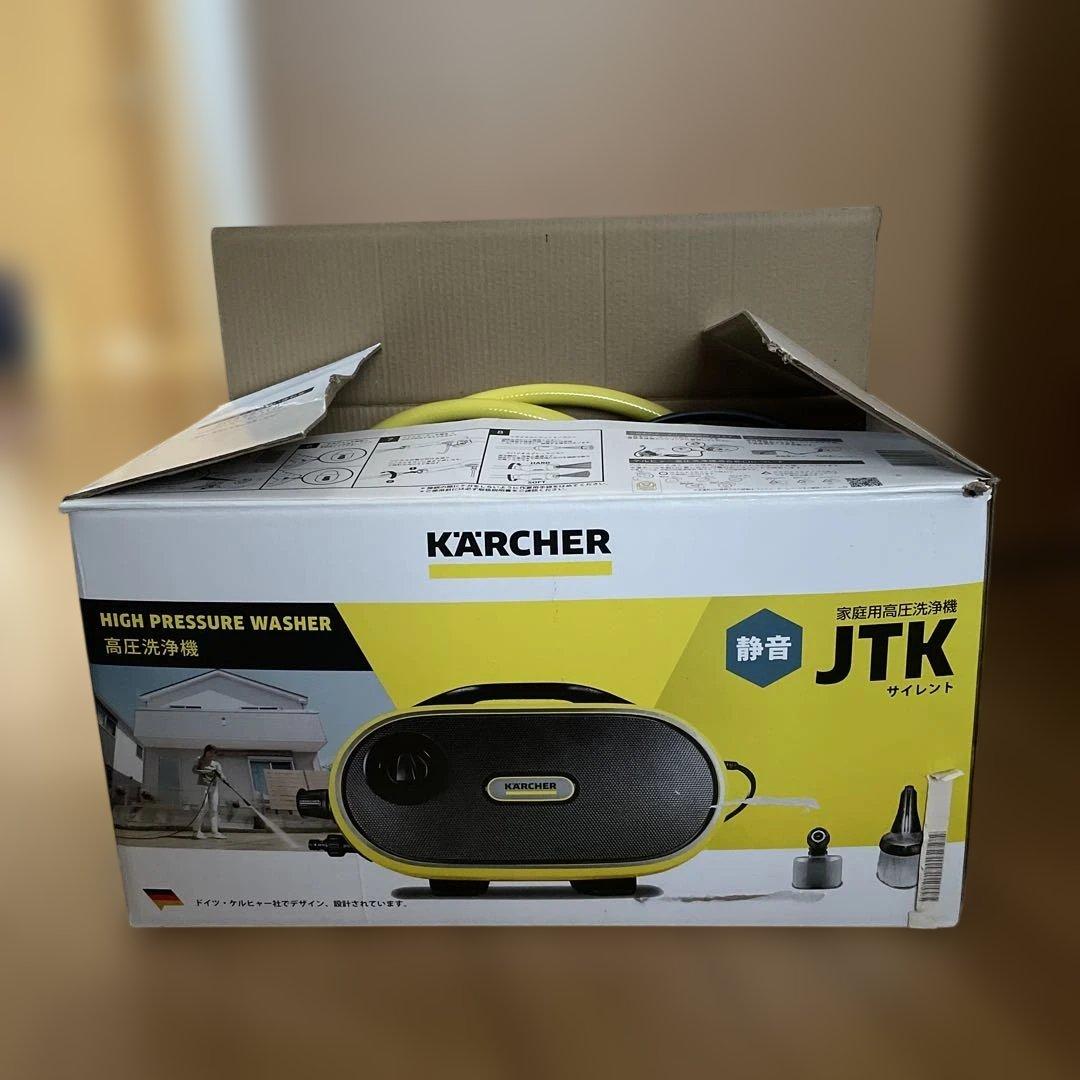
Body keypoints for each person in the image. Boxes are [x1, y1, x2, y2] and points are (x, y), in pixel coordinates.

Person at [192, 745, 226, 839]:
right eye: (210, 752)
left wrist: (223, 777)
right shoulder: (199, 760)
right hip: (203, 786)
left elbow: (221, 775)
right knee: (203, 807)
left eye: (214, 753)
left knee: (214, 809)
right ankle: (196, 831)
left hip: (214, 787)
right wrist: (204, 771)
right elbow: (194, 770)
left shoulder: (216, 764)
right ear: (206, 752)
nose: (212, 754)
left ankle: (215, 832)